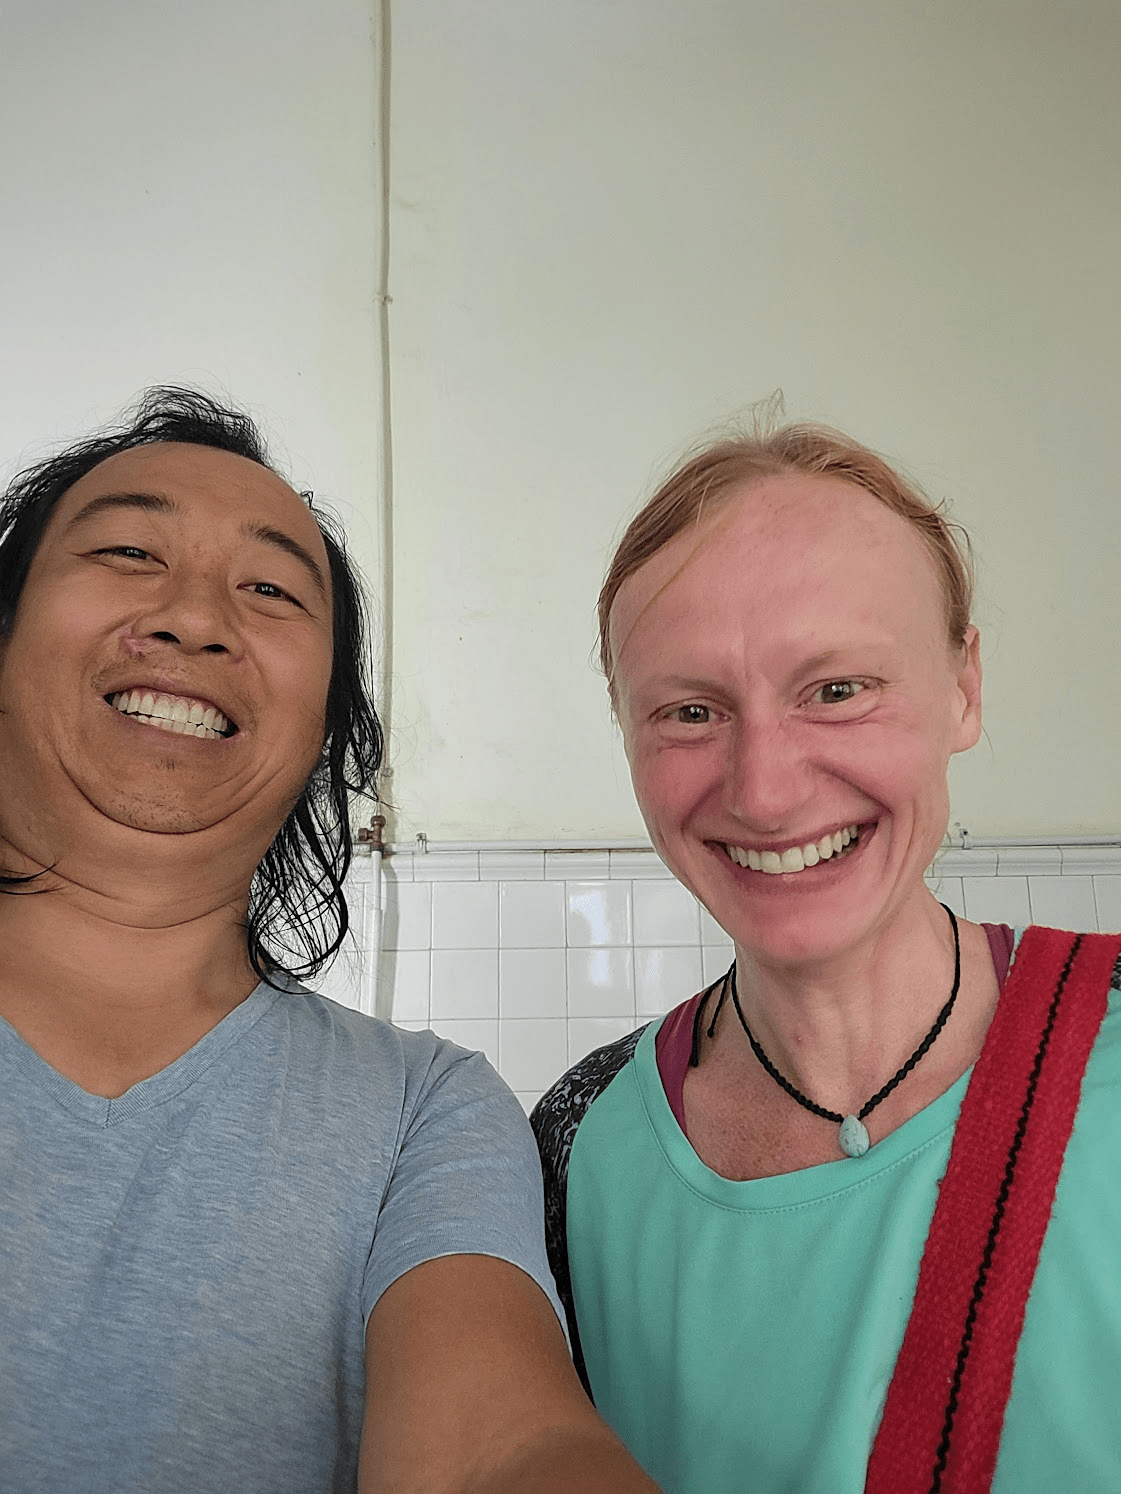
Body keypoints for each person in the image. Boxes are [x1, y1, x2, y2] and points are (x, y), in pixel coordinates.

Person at [0, 389, 659, 1494]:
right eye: (127, 551)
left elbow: (496, 1447)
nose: (194, 618)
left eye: (269, 590)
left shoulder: (423, 1111)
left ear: (323, 728)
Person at [532, 421, 1121, 1493]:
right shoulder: (573, 1152)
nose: (764, 793)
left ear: (962, 688)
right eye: (689, 711)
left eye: (838, 690)